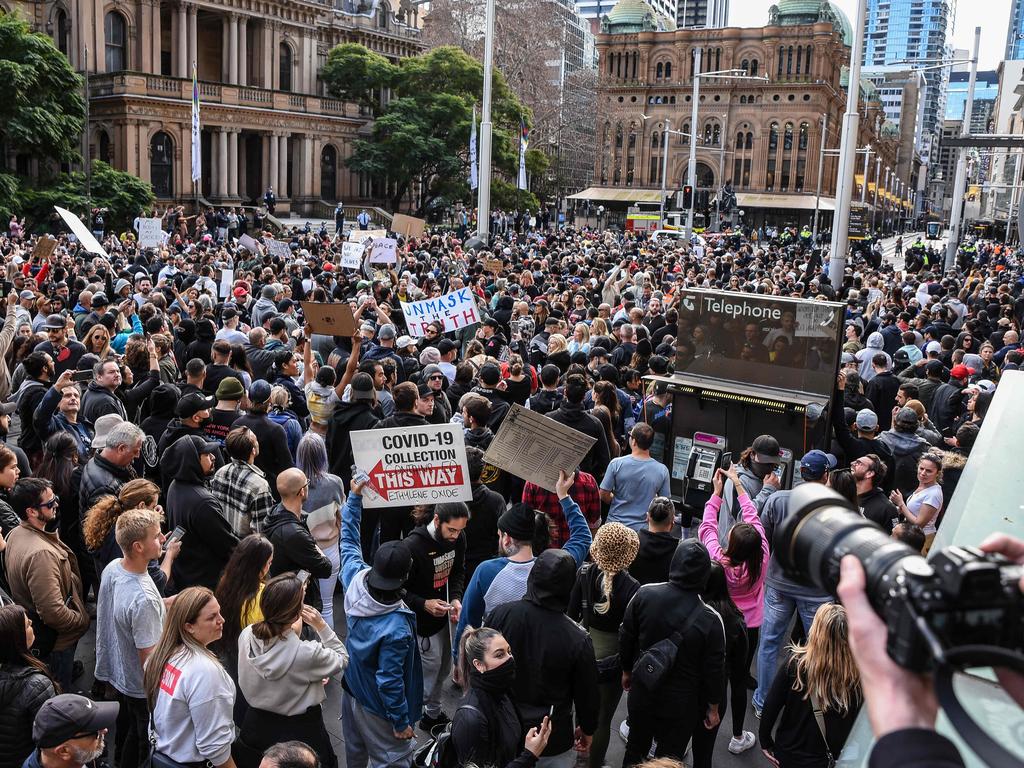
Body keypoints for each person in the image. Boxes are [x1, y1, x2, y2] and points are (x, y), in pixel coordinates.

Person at [453, 471, 592, 662]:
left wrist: (459, 661)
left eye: (500, 535)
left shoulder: (486, 571)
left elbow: (468, 622)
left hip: (497, 658)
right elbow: (583, 537)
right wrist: (564, 496)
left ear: (507, 538)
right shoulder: (557, 566)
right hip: (545, 655)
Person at [484, 543, 599, 768]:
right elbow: (587, 694)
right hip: (549, 736)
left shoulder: (501, 614)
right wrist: (587, 729)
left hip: (501, 724)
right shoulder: (577, 638)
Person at [618, 539, 725, 766]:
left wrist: (627, 670)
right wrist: (713, 707)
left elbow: (626, 636)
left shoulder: (644, 594)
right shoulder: (711, 620)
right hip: (681, 704)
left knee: (635, 747)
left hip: (644, 689)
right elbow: (714, 671)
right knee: (669, 759)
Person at [339, 478, 421, 768]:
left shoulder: (353, 578)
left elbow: (348, 539)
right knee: (392, 759)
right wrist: (400, 721)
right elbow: (389, 680)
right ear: (404, 577)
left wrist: (354, 496)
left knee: (355, 751)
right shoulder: (396, 628)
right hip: (376, 705)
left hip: (351, 688)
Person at [753, 451, 836, 718]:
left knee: (769, 642)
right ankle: (808, 706)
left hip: (778, 583)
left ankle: (763, 702)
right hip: (815, 590)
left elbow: (762, 539)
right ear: (825, 476)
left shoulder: (777, 500)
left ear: (802, 472)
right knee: (818, 648)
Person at [236, 575, 348, 768]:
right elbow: (342, 658)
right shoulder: (307, 654)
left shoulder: (247, 635)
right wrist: (321, 626)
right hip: (300, 730)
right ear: (297, 615)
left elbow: (281, 644)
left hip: (255, 726)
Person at [94, 507, 166, 768]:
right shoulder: (144, 598)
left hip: (121, 673)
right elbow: (150, 659)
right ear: (138, 546)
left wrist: (166, 604)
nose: (163, 540)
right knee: (143, 740)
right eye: (156, 536)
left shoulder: (114, 567)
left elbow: (122, 613)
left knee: (129, 732)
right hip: (141, 686)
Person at [5, 478, 89, 690]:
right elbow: (52, 612)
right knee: (61, 694)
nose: (56, 505)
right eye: (49, 504)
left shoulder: (15, 533)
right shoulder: (41, 554)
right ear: (31, 512)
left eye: (55, 499)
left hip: (48, 638)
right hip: (58, 643)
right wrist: (81, 621)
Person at [567, 523, 640, 768]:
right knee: (601, 719)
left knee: (581, 711)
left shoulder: (584, 573)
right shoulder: (633, 588)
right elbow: (630, 634)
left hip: (583, 649)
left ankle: (577, 758)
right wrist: (628, 669)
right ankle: (593, 763)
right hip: (612, 660)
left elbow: (570, 614)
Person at [759, 604, 862, 768]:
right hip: (827, 757)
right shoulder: (857, 676)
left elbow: (772, 705)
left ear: (817, 631)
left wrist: (765, 741)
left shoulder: (796, 665)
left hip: (790, 751)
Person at [144, 586, 237, 768]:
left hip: (164, 755)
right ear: (189, 627)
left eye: (219, 613)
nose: (222, 620)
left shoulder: (163, 655)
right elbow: (215, 745)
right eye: (212, 617)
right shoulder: (204, 672)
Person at [700, 465, 769, 695]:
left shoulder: (719, 560)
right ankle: (739, 730)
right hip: (750, 624)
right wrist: (738, 483)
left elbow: (707, 527)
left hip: (722, 620)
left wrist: (716, 493)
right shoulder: (763, 556)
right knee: (740, 674)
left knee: (717, 666)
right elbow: (752, 514)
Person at [401, 502, 467, 731]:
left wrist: (457, 597)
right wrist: (423, 604)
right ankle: (405, 722)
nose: (456, 536)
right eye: (452, 530)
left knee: (443, 669)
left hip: (444, 621)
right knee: (425, 680)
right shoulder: (412, 546)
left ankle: (432, 715)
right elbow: (398, 589)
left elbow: (458, 571)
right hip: (421, 625)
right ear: (437, 520)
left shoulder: (459, 538)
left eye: (460, 531)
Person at [451, 627, 552, 768]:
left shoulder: (502, 693)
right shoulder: (470, 719)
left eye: (509, 652)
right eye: (499, 655)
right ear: (479, 665)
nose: (510, 658)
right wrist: (529, 755)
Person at [690, 563, 754, 767]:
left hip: (683, 686)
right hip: (713, 695)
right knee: (703, 752)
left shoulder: (688, 609)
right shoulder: (735, 621)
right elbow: (740, 668)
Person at [163, 435, 239, 591]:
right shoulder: (203, 502)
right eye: (206, 454)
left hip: (185, 575)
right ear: (192, 461)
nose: (213, 457)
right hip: (205, 582)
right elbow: (228, 545)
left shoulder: (175, 485)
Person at [264, 468, 334, 612]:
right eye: (306, 483)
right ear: (302, 491)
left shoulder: (275, 512)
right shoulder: (294, 534)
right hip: (298, 606)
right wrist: (314, 545)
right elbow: (326, 568)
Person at [296, 433, 346, 630]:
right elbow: (342, 516)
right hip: (330, 550)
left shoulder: (293, 482)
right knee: (326, 607)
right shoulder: (335, 482)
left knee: (300, 608)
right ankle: (330, 655)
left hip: (302, 551)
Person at [0, 604, 58, 768]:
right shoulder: (37, 685)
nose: (32, 622)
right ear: (16, 638)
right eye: (27, 625)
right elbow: (50, 737)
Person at [599, 423, 671, 530]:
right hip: (642, 531)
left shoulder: (616, 464)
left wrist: (615, 500)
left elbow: (603, 494)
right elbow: (665, 503)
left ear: (633, 441)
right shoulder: (662, 470)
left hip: (614, 528)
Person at [23, 693, 119, 768]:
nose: (104, 730)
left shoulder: (84, 754)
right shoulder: (84, 753)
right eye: (94, 731)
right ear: (64, 751)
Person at [211, 426, 276, 537]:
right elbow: (261, 533)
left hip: (223, 542)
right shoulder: (259, 486)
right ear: (253, 451)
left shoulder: (220, 473)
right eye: (256, 441)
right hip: (245, 549)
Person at [889, 452, 944, 552]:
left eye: (929, 471)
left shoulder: (933, 494)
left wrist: (901, 503)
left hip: (922, 540)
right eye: (921, 468)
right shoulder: (923, 484)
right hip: (910, 536)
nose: (923, 473)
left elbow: (919, 524)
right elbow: (915, 510)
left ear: (938, 473)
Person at [627, 496, 679, 585]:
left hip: (633, 596)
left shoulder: (632, 543)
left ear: (647, 517)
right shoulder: (679, 551)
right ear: (673, 521)